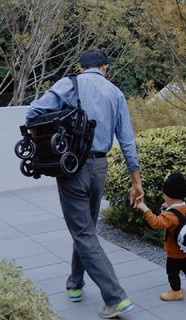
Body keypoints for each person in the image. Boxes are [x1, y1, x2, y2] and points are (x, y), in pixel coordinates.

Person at [26, 49, 144, 318]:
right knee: (86, 228)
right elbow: (127, 141)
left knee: (83, 232)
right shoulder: (115, 93)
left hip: (72, 167)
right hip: (100, 167)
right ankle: (75, 283)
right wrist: (136, 182)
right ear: (105, 68)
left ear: (81, 67)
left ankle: (116, 297)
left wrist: (39, 143)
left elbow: (33, 113)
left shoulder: (69, 83)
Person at [135, 172, 186, 301]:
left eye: (165, 195)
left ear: (169, 198)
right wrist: (169, 208)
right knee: (185, 263)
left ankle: (176, 291)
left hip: (174, 251)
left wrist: (145, 208)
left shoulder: (170, 215)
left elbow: (156, 223)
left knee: (172, 271)